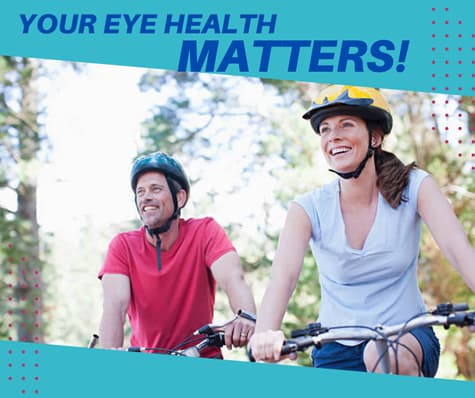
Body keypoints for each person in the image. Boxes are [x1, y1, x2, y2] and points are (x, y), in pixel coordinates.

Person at [248, 85, 475, 376]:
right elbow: (283, 278)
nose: (333, 136)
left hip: (406, 337)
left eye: (346, 125)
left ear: (375, 138)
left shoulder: (415, 186)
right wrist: (265, 333)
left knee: (382, 353)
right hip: (334, 347)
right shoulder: (308, 208)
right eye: (325, 130)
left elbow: (458, 250)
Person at [98, 151, 256, 358]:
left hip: (201, 357)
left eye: (156, 189)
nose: (146, 197)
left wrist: (246, 318)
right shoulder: (123, 246)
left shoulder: (205, 231)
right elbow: (114, 307)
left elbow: (233, 279)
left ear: (179, 198)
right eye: (140, 192)